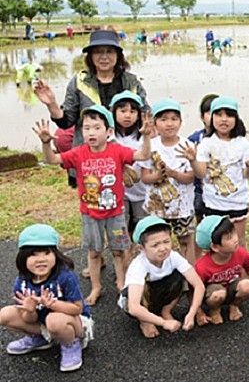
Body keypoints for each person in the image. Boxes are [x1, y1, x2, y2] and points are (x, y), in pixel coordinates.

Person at [33, 105, 152, 304]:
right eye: (86, 128)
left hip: (115, 213)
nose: (91, 133)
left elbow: (142, 155)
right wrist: (46, 143)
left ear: (109, 132)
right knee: (94, 252)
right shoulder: (79, 153)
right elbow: (52, 159)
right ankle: (96, 287)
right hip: (90, 214)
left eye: (96, 128)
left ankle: (121, 283)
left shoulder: (117, 150)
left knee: (118, 250)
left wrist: (146, 136)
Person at [33, 29, 148, 187]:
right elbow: (67, 121)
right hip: (92, 156)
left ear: (118, 55)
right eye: (98, 52)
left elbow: (145, 115)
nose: (104, 57)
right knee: (94, 203)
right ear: (91, 56)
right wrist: (51, 104)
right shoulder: (80, 82)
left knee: (131, 203)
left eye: (109, 51)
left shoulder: (131, 81)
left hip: (127, 153)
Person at [0, 225, 93, 372]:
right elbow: (28, 318)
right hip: (43, 321)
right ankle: (41, 338)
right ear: (23, 257)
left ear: (56, 255)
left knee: (54, 320)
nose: (41, 259)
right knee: (5, 315)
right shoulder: (22, 281)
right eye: (34, 255)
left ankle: (71, 343)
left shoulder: (65, 276)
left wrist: (53, 304)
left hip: (74, 321)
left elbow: (77, 308)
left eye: (46, 253)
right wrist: (30, 311)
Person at [178, 96, 249, 248]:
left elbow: (246, 175)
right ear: (211, 118)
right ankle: (218, 272)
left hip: (238, 202)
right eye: (218, 114)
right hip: (213, 203)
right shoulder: (206, 144)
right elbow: (201, 174)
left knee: (238, 242)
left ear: (236, 118)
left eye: (229, 115)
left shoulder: (243, 143)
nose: (224, 119)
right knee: (216, 243)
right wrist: (192, 160)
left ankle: (241, 272)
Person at [118, 216, 205, 338]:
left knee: (183, 277)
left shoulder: (173, 257)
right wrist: (163, 323)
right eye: (155, 245)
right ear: (141, 249)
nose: (163, 248)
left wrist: (192, 313)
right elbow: (133, 307)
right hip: (142, 300)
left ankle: (166, 310)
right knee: (133, 294)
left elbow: (198, 285)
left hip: (160, 294)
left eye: (166, 242)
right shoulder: (138, 266)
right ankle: (145, 321)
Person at [141, 99, 197, 263]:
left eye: (174, 119)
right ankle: (160, 276)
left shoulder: (187, 145)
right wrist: (157, 176)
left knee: (186, 241)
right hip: (157, 207)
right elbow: (145, 177)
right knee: (158, 242)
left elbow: (191, 177)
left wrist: (173, 173)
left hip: (182, 207)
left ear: (181, 121)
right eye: (163, 119)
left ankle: (191, 278)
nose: (169, 124)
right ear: (154, 123)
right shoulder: (150, 146)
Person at [194, 215, 249, 325]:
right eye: (229, 238)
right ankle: (214, 310)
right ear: (214, 247)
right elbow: (193, 290)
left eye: (233, 233)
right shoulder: (202, 266)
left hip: (231, 287)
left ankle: (234, 305)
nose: (235, 239)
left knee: (247, 286)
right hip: (212, 295)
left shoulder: (241, 253)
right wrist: (199, 313)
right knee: (218, 294)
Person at [110, 91, 148, 242]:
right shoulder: (110, 137)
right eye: (123, 111)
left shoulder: (143, 137)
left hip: (142, 193)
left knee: (142, 228)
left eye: (132, 112)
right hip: (119, 195)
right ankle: (123, 260)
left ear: (139, 115)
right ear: (113, 113)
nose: (128, 116)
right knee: (120, 230)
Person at [187, 93, 218, 222]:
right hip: (199, 187)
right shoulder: (195, 138)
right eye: (209, 113)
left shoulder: (228, 139)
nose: (212, 117)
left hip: (218, 187)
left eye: (217, 113)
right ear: (202, 116)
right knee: (199, 215)